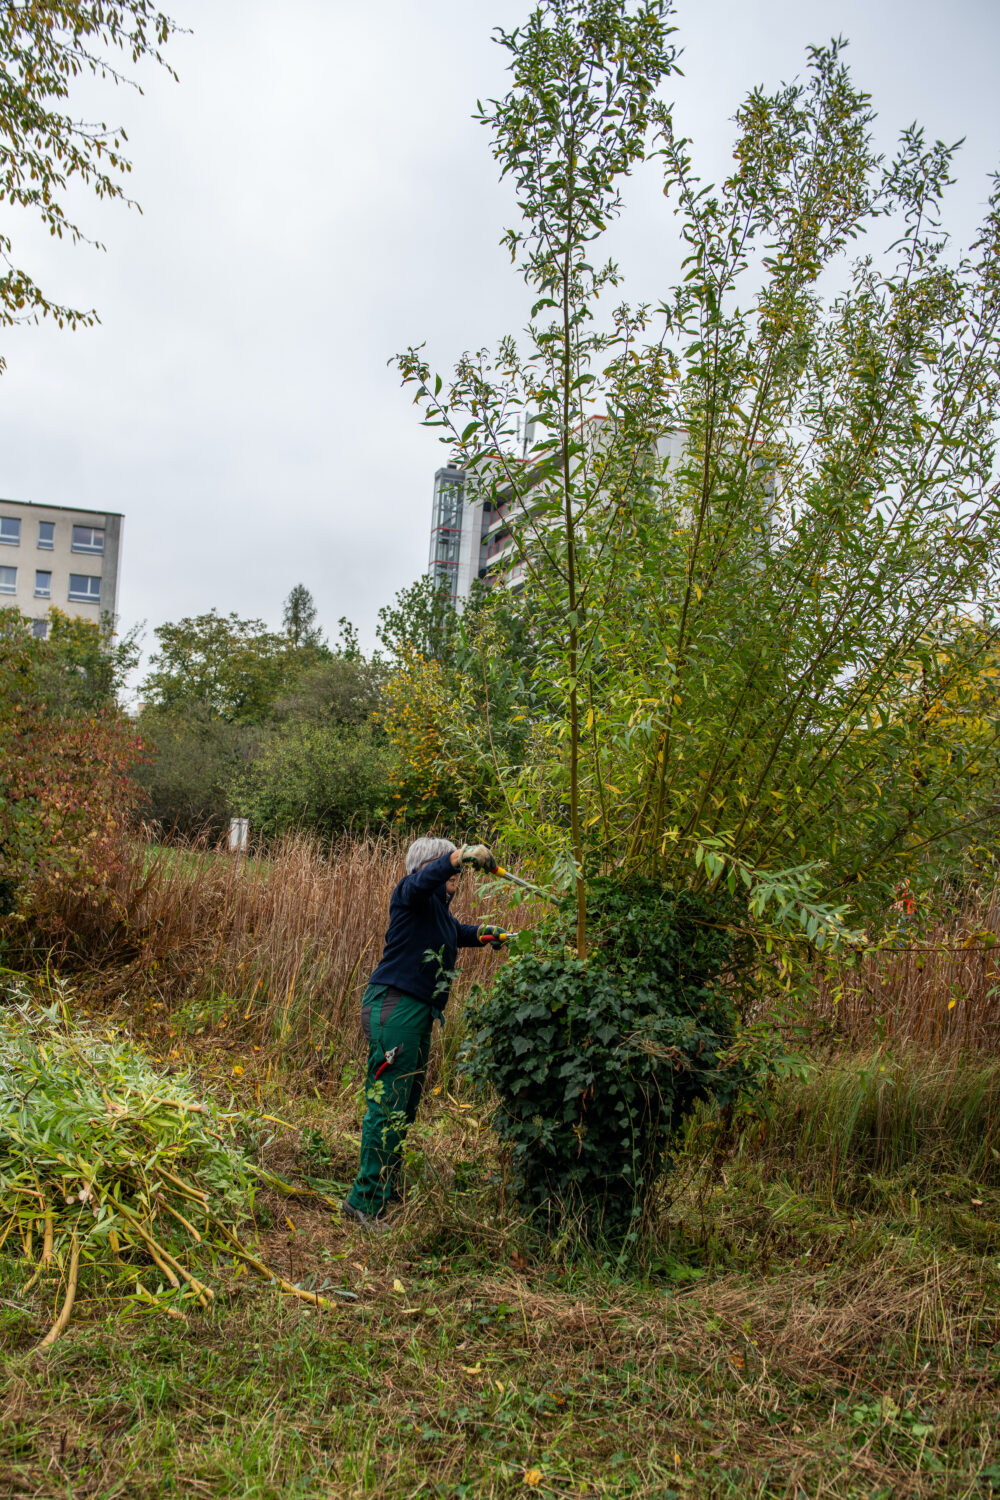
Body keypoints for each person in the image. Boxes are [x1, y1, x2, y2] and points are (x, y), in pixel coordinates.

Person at [343, 837, 508, 1227]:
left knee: (405, 1105)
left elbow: (456, 932)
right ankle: (364, 1202)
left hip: (417, 1012)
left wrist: (485, 933)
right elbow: (422, 882)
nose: (458, 874)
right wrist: (458, 856)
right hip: (394, 1005)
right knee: (387, 1106)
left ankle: (385, 1186)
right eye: (449, 866)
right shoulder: (410, 893)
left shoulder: (437, 912)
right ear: (428, 867)